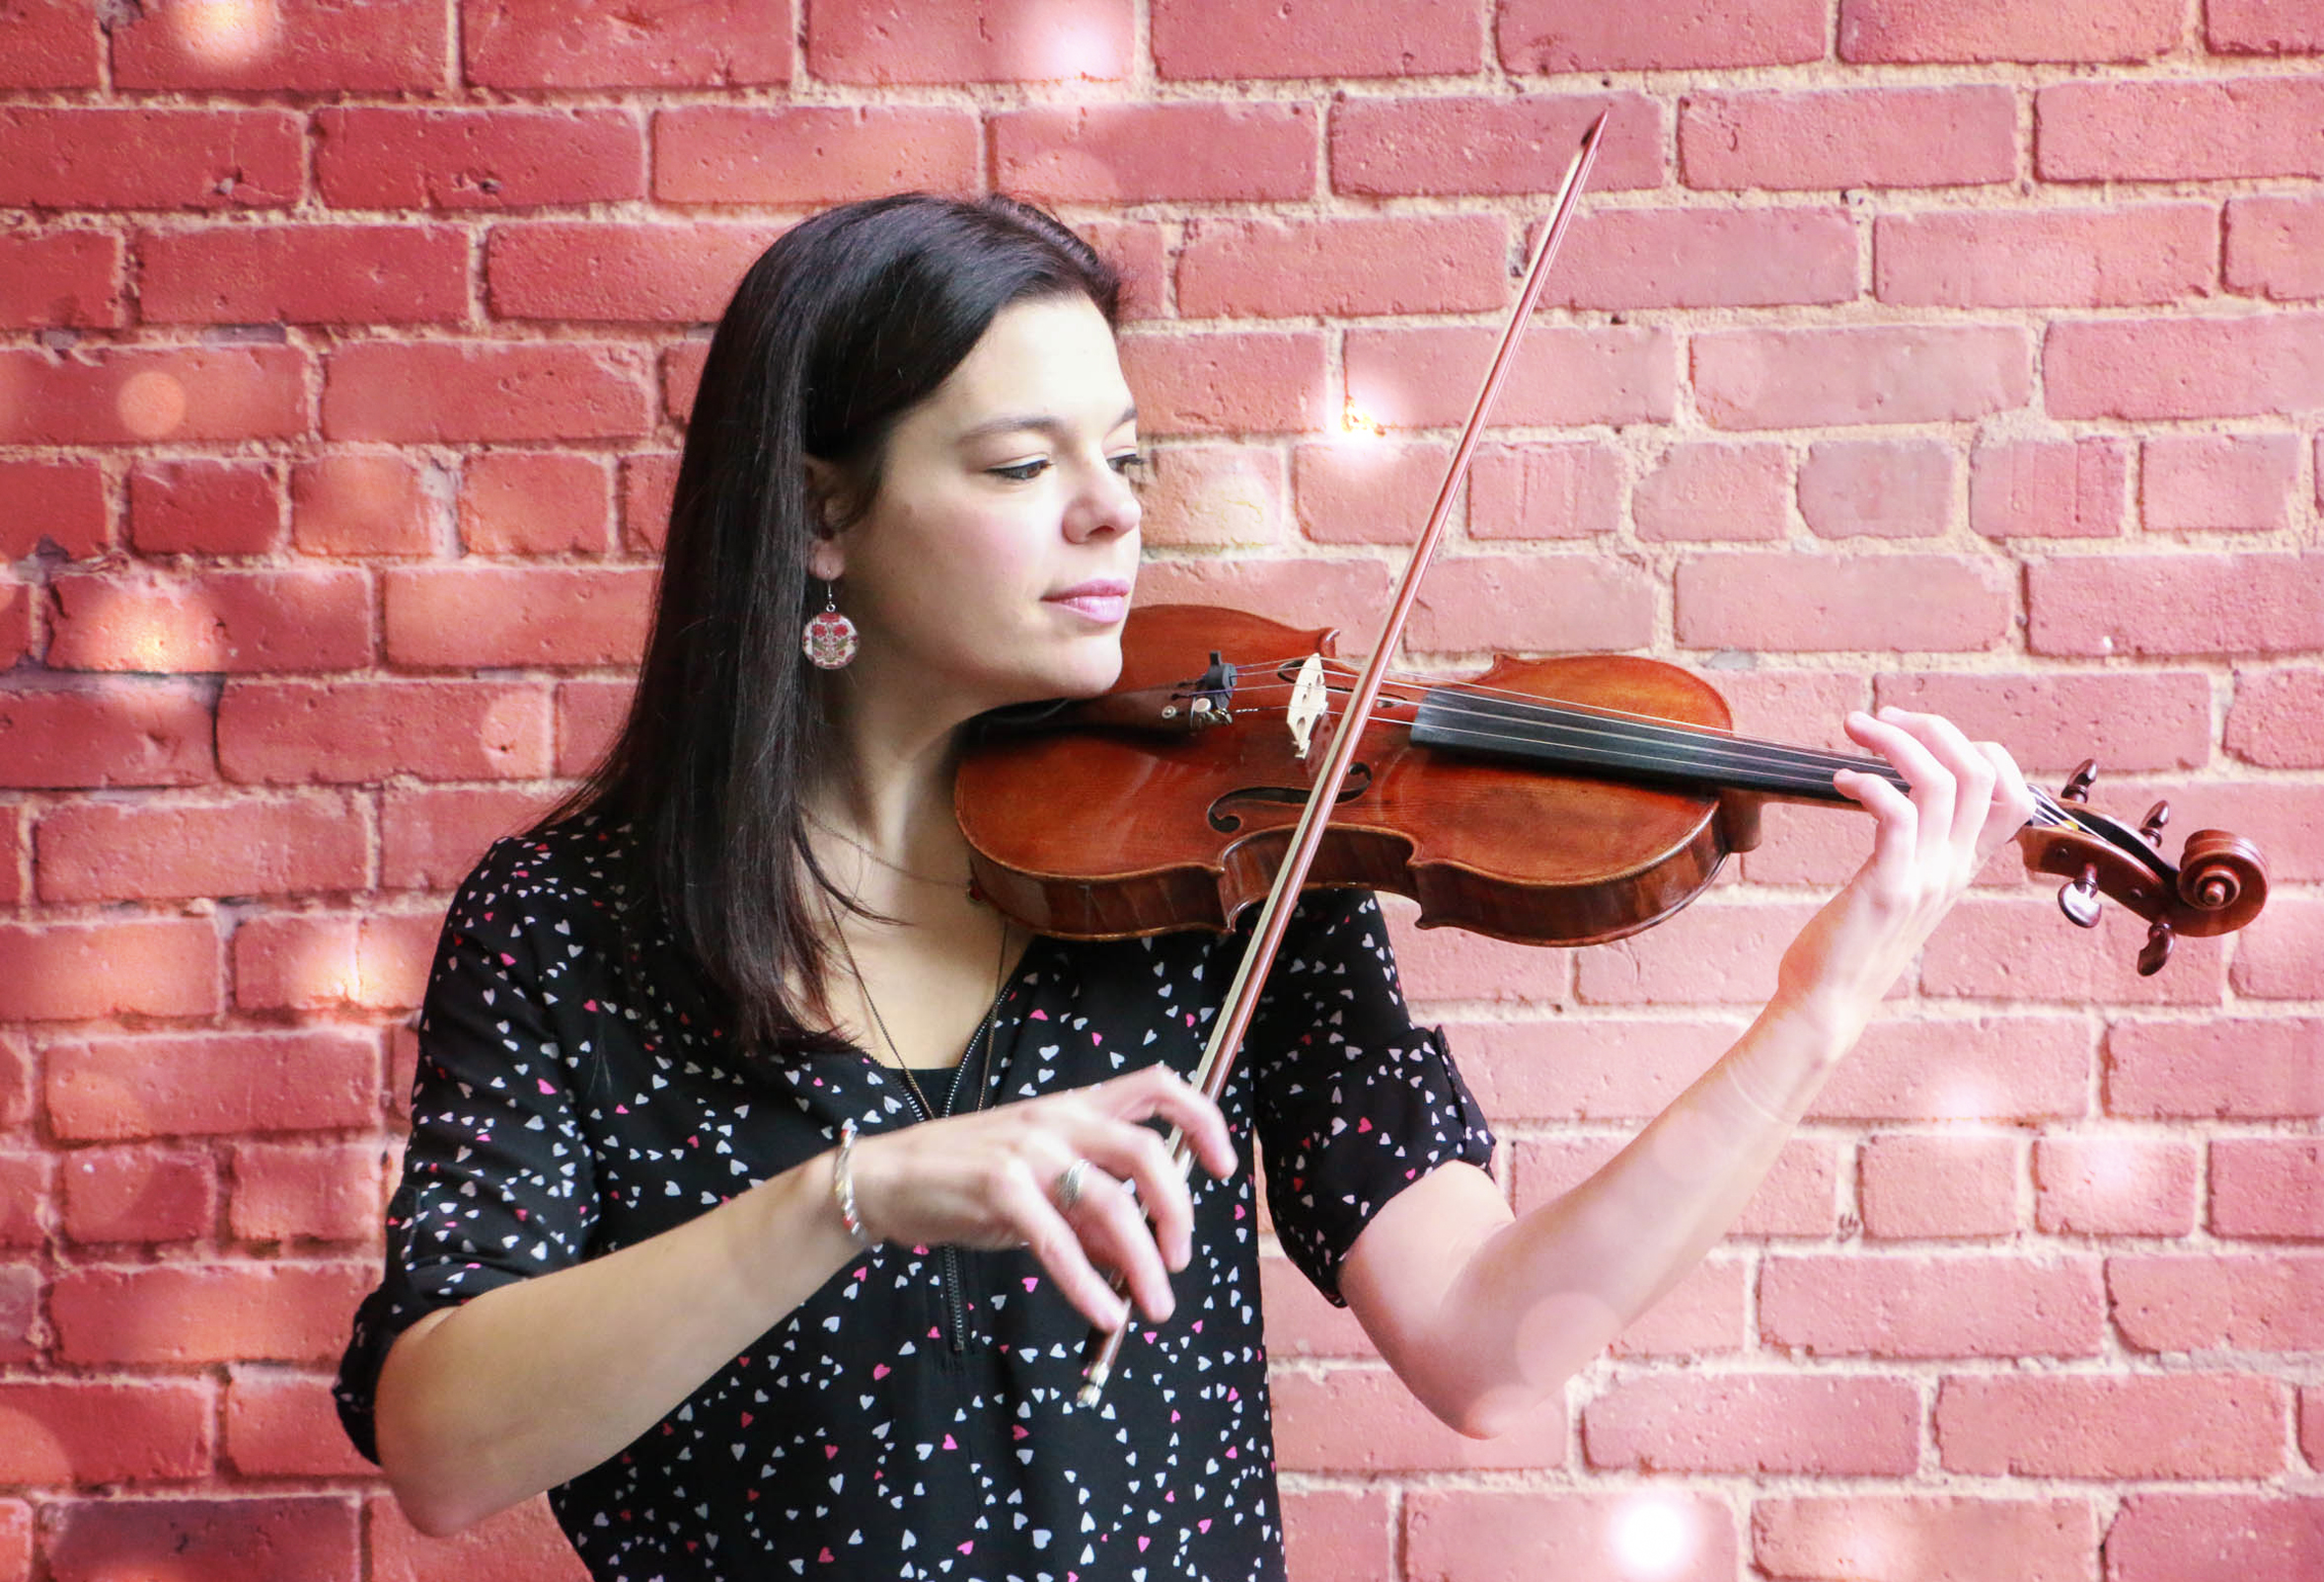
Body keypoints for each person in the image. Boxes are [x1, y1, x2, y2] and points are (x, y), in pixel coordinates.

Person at [335, 193, 2036, 1580]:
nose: (1109, 517)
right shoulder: (572, 923)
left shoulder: (1240, 868)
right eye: (1023, 468)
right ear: (819, 517)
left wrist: (1822, 1008)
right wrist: (844, 1196)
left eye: (1126, 461)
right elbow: (440, 1447)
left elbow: (1490, 1352)